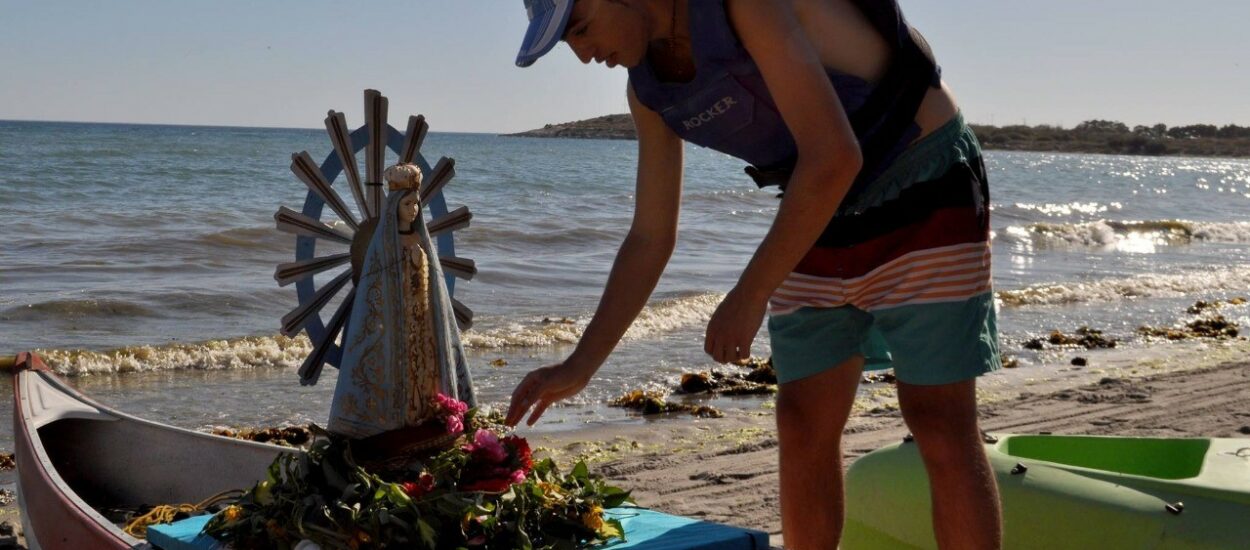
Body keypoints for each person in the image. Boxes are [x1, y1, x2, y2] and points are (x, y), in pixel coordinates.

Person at [505, 0, 1002, 548]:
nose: (582, 54)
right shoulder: (647, 91)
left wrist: (750, 294)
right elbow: (650, 237)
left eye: (580, 29)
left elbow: (834, 156)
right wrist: (579, 365)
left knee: (938, 419)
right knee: (802, 421)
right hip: (817, 208)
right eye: (568, 43)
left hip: (922, 180)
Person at [328, 163, 476, 447]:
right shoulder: (384, 245)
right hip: (396, 317)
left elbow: (432, 281)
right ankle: (393, 422)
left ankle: (427, 415)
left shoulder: (421, 239)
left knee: (424, 365)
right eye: (407, 204)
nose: (413, 210)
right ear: (395, 206)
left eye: (416, 204)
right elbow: (376, 284)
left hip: (422, 316)